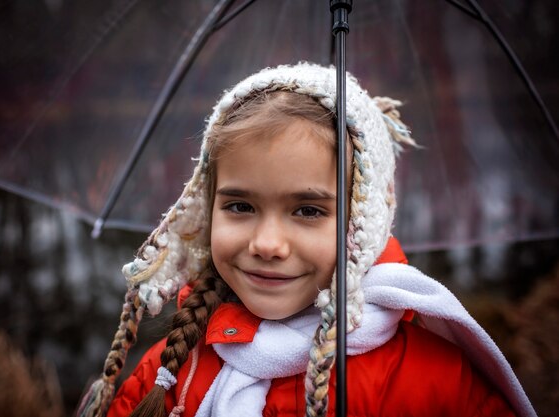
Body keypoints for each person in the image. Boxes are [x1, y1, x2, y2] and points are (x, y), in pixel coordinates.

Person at [76, 63, 536, 417]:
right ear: (206, 206)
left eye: (308, 210)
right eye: (240, 206)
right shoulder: (171, 372)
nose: (268, 243)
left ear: (365, 224)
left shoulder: (436, 382)